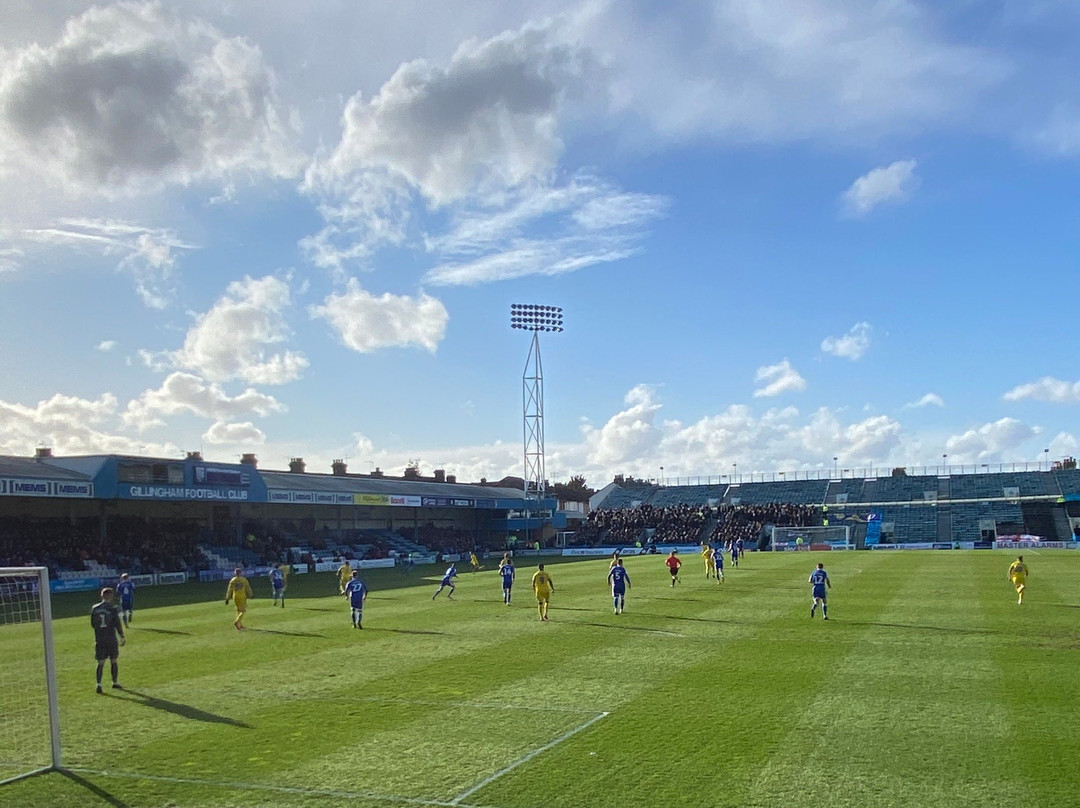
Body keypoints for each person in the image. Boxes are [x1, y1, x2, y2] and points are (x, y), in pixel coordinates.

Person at [91, 587, 126, 693]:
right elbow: (117, 624)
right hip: (111, 637)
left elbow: (93, 624)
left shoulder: (95, 608)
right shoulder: (113, 609)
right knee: (113, 660)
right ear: (111, 596)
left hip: (100, 638)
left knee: (100, 662)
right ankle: (114, 682)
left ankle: (99, 684)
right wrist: (122, 636)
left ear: (101, 596)